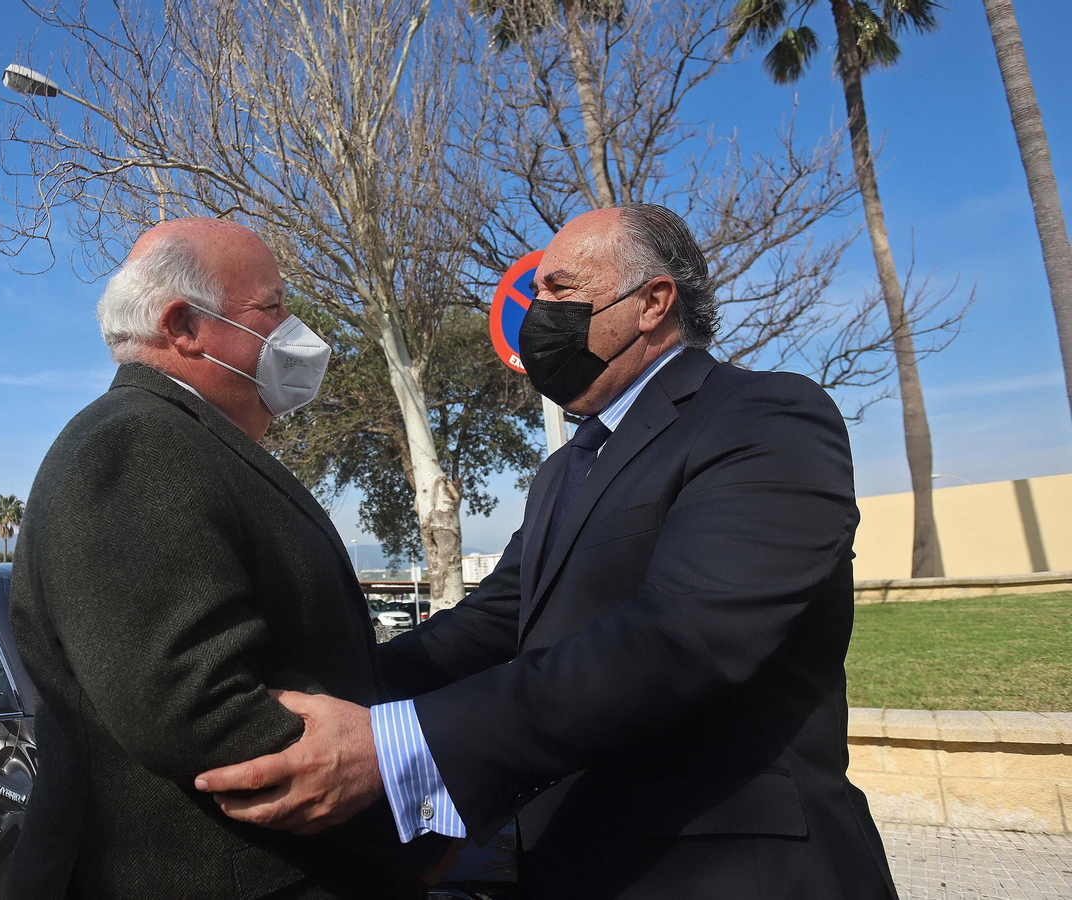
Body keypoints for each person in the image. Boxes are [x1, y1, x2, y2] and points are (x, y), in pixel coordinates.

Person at [197, 204, 898, 899]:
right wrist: (331, 695)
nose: (538, 312)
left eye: (560, 290)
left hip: (730, 873)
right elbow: (492, 620)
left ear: (654, 302)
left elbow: (682, 639)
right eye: (536, 294)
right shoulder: (566, 468)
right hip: (574, 861)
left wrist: (396, 747)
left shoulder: (764, 417)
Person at [7, 218, 445, 899]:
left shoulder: (186, 442)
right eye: (271, 307)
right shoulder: (133, 446)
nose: (294, 329)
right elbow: (198, 711)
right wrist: (408, 806)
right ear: (184, 326)